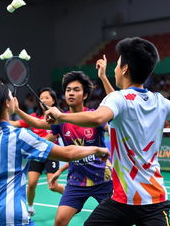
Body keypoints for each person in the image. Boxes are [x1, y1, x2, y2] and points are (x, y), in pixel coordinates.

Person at [45, 37, 170, 226]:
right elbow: (120, 103)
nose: (115, 69)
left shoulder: (119, 99)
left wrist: (60, 116)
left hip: (145, 202)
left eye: (117, 64)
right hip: (129, 200)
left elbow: (97, 117)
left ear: (125, 68)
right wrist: (103, 77)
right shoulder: (160, 101)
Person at [0, 78, 110, 226]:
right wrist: (95, 150)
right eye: (11, 95)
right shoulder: (20, 136)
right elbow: (67, 153)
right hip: (11, 216)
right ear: (7, 103)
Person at [14, 71, 113, 226]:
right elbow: (39, 123)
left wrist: (104, 78)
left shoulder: (94, 116)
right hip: (76, 182)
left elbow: (113, 120)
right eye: (68, 90)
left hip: (103, 179)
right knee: (60, 221)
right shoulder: (60, 120)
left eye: (76, 90)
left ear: (85, 95)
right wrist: (18, 110)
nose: (71, 93)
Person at [10, 87, 64, 217]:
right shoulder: (33, 117)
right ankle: (30, 207)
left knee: (53, 185)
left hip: (51, 153)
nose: (44, 100)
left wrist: (36, 143)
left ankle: (72, 195)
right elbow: (15, 123)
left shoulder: (59, 117)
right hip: (36, 155)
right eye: (41, 98)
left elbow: (51, 137)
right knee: (32, 183)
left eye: (47, 97)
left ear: (53, 100)